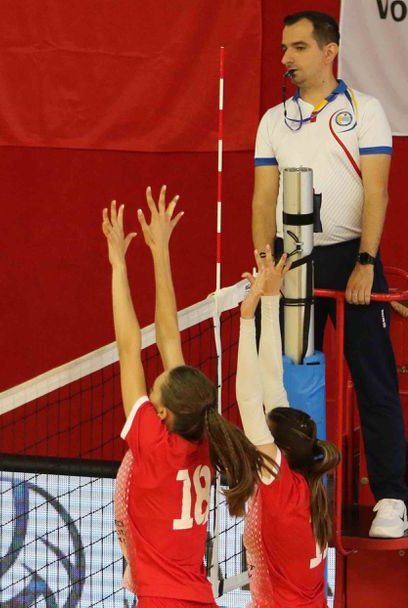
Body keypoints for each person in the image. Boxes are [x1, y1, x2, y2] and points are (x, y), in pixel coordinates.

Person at [251, 10, 407, 538]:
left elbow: (377, 191)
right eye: (283, 49)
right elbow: (264, 196)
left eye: (298, 48)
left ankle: (392, 498)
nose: (286, 58)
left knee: (375, 378)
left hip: (351, 259)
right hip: (291, 262)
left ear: (329, 51)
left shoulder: (365, 110)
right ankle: (297, 492)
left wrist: (365, 261)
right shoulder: (274, 120)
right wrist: (264, 261)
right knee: (288, 379)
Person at [103, 187, 273, 608]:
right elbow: (168, 339)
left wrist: (118, 264)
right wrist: (160, 252)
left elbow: (129, 347)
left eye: (154, 390)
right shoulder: (201, 435)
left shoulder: (154, 444)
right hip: (196, 597)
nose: (152, 385)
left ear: (161, 413)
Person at [237, 246, 341, 607]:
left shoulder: (282, 485)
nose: (258, 435)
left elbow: (250, 399)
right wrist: (270, 302)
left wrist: (247, 319)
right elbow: (272, 383)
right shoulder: (302, 482)